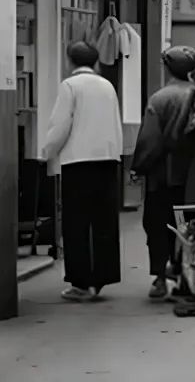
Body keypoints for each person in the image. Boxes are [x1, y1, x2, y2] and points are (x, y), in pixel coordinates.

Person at [131, 46, 195, 299]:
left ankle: (160, 277)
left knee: (158, 225)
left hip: (162, 175)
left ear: (167, 68)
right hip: (194, 174)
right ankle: (183, 273)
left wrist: (139, 167)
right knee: (188, 224)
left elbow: (150, 139)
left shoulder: (159, 99)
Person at [44, 41, 123, 301]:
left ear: (70, 61)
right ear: (96, 61)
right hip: (108, 159)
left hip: (79, 162)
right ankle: (102, 277)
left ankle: (79, 281)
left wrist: (48, 151)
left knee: (77, 223)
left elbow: (60, 125)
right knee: (104, 221)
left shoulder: (69, 86)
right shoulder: (107, 85)